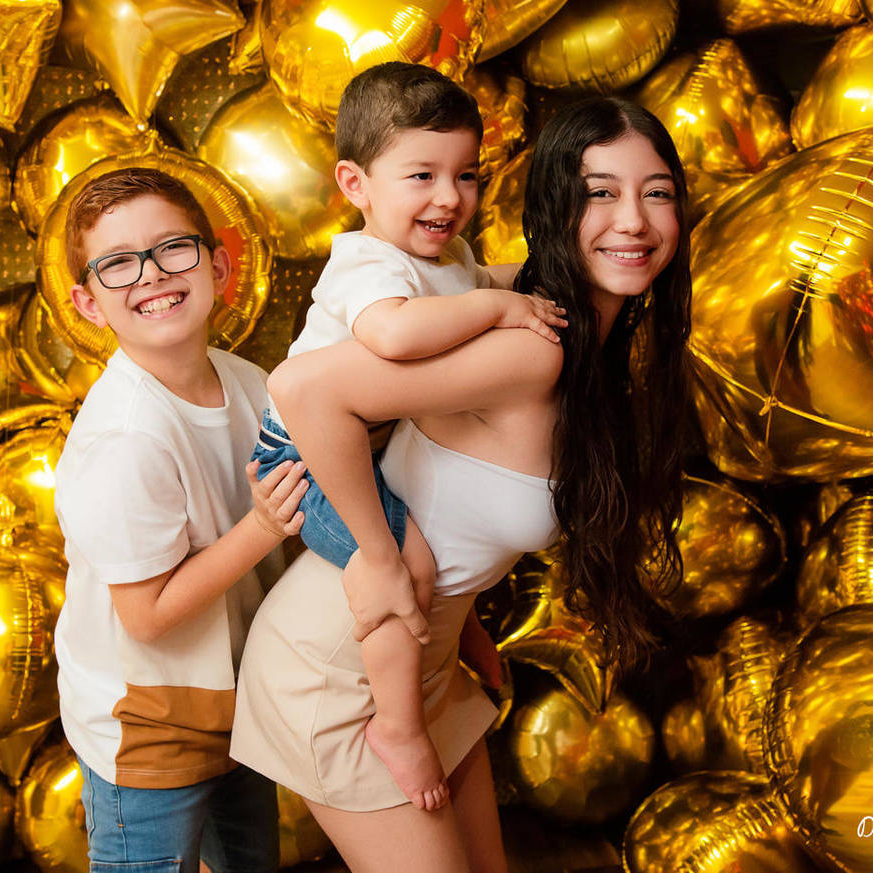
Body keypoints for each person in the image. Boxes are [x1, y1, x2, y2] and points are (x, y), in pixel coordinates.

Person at [231, 95, 692, 872]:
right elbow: (304, 389)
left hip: (429, 659)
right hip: (341, 668)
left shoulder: (569, 335)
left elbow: (451, 500)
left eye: (657, 192)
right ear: (556, 206)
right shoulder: (529, 348)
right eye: (600, 192)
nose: (634, 221)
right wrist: (379, 556)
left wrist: (465, 624)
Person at [249, 61, 565, 812]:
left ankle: (439, 654)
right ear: (355, 184)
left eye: (466, 175)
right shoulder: (364, 265)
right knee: (407, 564)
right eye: (421, 176)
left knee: (427, 539)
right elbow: (394, 335)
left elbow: (477, 283)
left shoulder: (444, 255)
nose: (448, 197)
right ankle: (396, 727)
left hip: (361, 440)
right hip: (304, 456)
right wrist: (498, 312)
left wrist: (541, 277)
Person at [53, 167, 310, 873]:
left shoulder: (251, 383)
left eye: (173, 247)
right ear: (90, 303)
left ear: (219, 266)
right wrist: (263, 527)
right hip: (149, 723)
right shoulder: (126, 438)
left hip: (239, 696)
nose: (152, 274)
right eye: (118, 263)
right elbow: (147, 616)